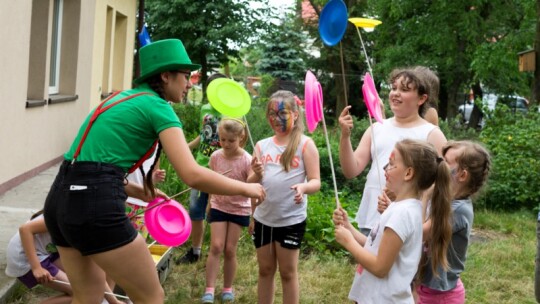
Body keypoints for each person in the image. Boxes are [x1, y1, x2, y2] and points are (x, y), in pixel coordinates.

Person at [43, 39, 265, 304]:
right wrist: (247, 188)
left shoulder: (120, 98)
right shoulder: (157, 106)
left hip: (59, 200)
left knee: (87, 297)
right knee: (151, 297)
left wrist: (135, 189)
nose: (189, 83)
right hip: (94, 204)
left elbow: (87, 167)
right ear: (165, 76)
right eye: (186, 76)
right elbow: (191, 174)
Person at [333, 139, 453, 304]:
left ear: (408, 173)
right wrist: (349, 228)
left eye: (391, 164)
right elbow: (374, 245)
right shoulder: (404, 208)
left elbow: (380, 268)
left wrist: (348, 242)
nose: (385, 169)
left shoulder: (401, 214)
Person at [338, 67, 447, 237]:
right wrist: (345, 137)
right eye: (394, 88)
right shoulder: (376, 127)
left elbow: (444, 181)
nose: (395, 93)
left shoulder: (432, 133)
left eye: (404, 90)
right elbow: (351, 170)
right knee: (367, 263)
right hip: (371, 218)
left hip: (407, 222)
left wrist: (405, 193)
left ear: (421, 98)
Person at [248, 90, 321, 304]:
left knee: (288, 273)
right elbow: (250, 183)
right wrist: (257, 173)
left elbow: (316, 182)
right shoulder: (261, 145)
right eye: (271, 113)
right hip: (263, 219)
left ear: (296, 114)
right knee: (265, 270)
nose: (276, 118)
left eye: (282, 113)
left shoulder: (305, 144)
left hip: (291, 220)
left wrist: (304, 188)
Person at [416, 141, 491, 304]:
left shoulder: (457, 209)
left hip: (441, 296)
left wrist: (425, 196)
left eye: (445, 162)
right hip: (427, 288)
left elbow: (420, 234)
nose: (438, 166)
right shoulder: (444, 199)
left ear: (462, 175)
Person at [5, 211, 123, 304]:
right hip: (24, 258)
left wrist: (113, 301)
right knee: (82, 293)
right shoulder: (69, 217)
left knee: (88, 289)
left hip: (47, 252)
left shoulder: (89, 229)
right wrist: (36, 268)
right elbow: (25, 229)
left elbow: (95, 273)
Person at [177, 73, 226, 264]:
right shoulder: (205, 109)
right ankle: (196, 252)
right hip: (200, 168)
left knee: (215, 214)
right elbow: (203, 135)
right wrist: (186, 147)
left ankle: (215, 253)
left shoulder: (231, 113)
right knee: (196, 211)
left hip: (221, 172)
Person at [201, 118, 252, 303]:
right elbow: (212, 182)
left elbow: (253, 186)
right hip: (219, 206)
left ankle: (227, 288)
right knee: (215, 246)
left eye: (231, 140)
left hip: (239, 209)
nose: (226, 144)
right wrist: (209, 202)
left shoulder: (247, 159)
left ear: (241, 138)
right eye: (222, 140)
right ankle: (209, 289)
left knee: (230, 250)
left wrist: (254, 214)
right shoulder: (215, 157)